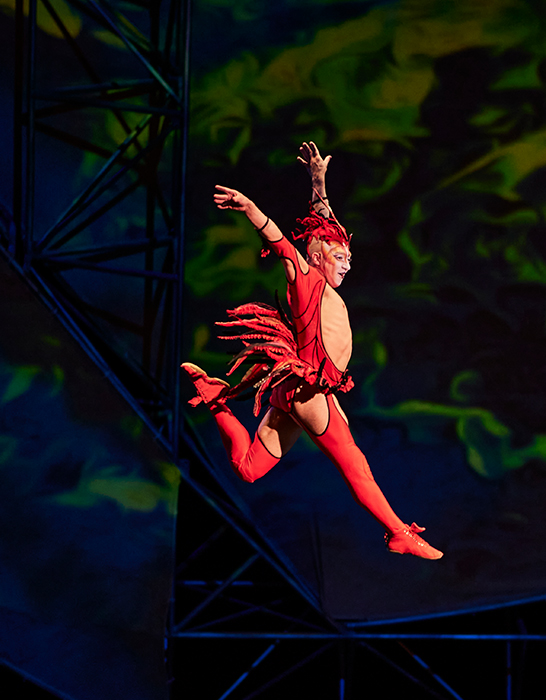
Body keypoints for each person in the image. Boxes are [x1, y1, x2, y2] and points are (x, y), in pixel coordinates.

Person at [182, 141, 442, 560]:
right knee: (353, 463)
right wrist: (250, 208)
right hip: (307, 389)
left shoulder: (323, 274)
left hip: (305, 390)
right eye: (340, 258)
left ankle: (215, 400)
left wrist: (318, 182)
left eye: (349, 259)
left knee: (249, 469)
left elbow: (324, 228)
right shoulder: (305, 279)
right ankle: (399, 533)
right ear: (317, 258)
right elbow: (285, 244)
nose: (347, 265)